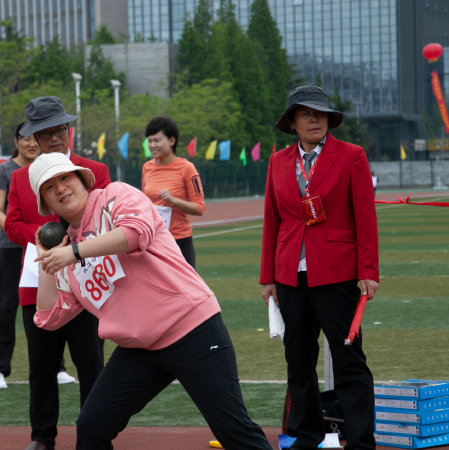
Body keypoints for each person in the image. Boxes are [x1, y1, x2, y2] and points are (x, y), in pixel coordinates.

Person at [30, 153, 274, 450]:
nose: (60, 188)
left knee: (233, 430)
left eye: (65, 177)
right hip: (140, 349)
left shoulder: (115, 195)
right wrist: (46, 261)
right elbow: (50, 317)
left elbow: (135, 233)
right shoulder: (66, 251)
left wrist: (75, 251)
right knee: (92, 425)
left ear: (81, 180)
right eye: (49, 187)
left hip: (191, 330)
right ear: (45, 202)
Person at [260, 86, 379, 450]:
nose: (315, 120)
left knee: (348, 360)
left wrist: (368, 271)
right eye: (306, 115)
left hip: (336, 274)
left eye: (320, 114)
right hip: (289, 276)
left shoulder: (352, 156)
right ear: (292, 123)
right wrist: (268, 278)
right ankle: (308, 435)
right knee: (298, 361)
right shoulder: (278, 161)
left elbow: (365, 216)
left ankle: (360, 442)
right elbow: (272, 221)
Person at [4, 96, 110, 450]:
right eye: (45, 133)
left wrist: (70, 240)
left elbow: (103, 217)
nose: (53, 138)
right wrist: (40, 237)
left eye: (59, 130)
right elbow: (12, 224)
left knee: (91, 363)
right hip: (39, 280)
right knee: (41, 366)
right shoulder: (19, 178)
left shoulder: (94, 171)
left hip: (87, 279)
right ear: (33, 137)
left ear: (69, 131)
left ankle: (93, 436)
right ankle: (42, 437)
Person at [0, 123, 39, 389]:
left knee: (46, 306)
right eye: (26, 139)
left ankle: (56, 366)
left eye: (36, 139)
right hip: (12, 247)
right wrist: (20, 233)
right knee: (6, 307)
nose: (32, 144)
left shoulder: (46, 168)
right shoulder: (4, 171)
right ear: (16, 142)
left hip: (43, 248)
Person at [141, 117, 205, 269]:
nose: (152, 145)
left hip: (179, 241)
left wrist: (173, 200)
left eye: (157, 140)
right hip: (154, 240)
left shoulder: (187, 168)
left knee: (185, 284)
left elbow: (199, 208)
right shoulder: (147, 168)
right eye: (149, 141)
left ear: (171, 141)